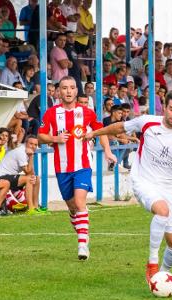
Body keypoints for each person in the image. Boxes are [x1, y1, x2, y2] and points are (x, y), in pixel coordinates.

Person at [86, 89, 172, 283]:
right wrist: (94, 133)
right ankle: (152, 263)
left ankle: (161, 276)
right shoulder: (147, 121)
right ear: (164, 108)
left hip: (169, 188)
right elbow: (119, 128)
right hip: (144, 181)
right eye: (171, 109)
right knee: (162, 211)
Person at [38, 76, 116, 261]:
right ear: (59, 91)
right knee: (72, 207)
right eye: (64, 88)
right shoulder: (51, 113)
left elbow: (100, 130)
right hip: (62, 167)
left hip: (82, 165)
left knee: (80, 203)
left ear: (76, 91)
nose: (68, 91)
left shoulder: (87, 112)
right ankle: (82, 230)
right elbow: (41, 136)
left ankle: (82, 244)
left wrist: (107, 150)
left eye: (72, 88)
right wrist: (55, 139)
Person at [0, 135, 44, 214]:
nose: (33, 146)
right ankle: (30, 209)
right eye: (31, 144)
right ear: (25, 143)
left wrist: (31, 157)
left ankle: (36, 207)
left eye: (35, 145)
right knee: (29, 179)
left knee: (36, 178)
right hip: (0, 177)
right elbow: (28, 172)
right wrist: (31, 156)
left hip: (9, 176)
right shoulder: (21, 152)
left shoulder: (27, 153)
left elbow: (32, 173)